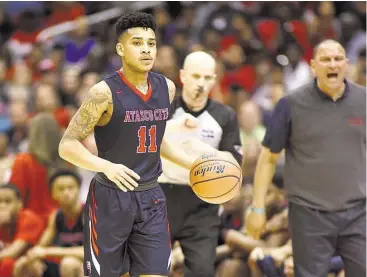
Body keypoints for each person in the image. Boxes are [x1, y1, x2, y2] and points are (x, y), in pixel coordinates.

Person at [58, 11, 198, 277]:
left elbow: (157, 140)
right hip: (111, 197)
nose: (146, 50)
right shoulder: (103, 93)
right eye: (137, 43)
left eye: (151, 43)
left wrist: (192, 164)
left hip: (151, 197)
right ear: (121, 48)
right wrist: (106, 167)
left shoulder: (166, 88)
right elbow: (67, 145)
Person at [245, 39, 366, 277]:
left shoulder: (364, 101)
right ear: (313, 66)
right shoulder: (291, 104)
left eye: (338, 58)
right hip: (309, 215)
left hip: (358, 212)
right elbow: (268, 159)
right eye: (325, 59)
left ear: (346, 64)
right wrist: (257, 208)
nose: (333, 64)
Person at [158, 51, 243, 277]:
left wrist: (207, 157)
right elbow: (148, 144)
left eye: (207, 78)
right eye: (196, 76)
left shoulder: (225, 115)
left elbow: (234, 162)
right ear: (183, 76)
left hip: (202, 203)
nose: (201, 83)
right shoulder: (163, 109)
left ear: (214, 80)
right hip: (161, 198)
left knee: (203, 271)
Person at [22, 169, 84, 277]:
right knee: (24, 264)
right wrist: (33, 258)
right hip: (65, 259)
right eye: (61, 189)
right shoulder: (56, 216)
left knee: (69, 264)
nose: (66, 193)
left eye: (71, 188)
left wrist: (48, 252)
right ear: (53, 194)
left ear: (79, 190)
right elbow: (40, 247)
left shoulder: (91, 213)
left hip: (94, 263)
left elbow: (92, 252)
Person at [0, 184, 44, 277]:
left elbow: (12, 253)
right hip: (8, 260)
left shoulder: (30, 219)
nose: (2, 206)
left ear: (19, 204)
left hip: (35, 264)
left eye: (8, 202)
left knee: (8, 263)